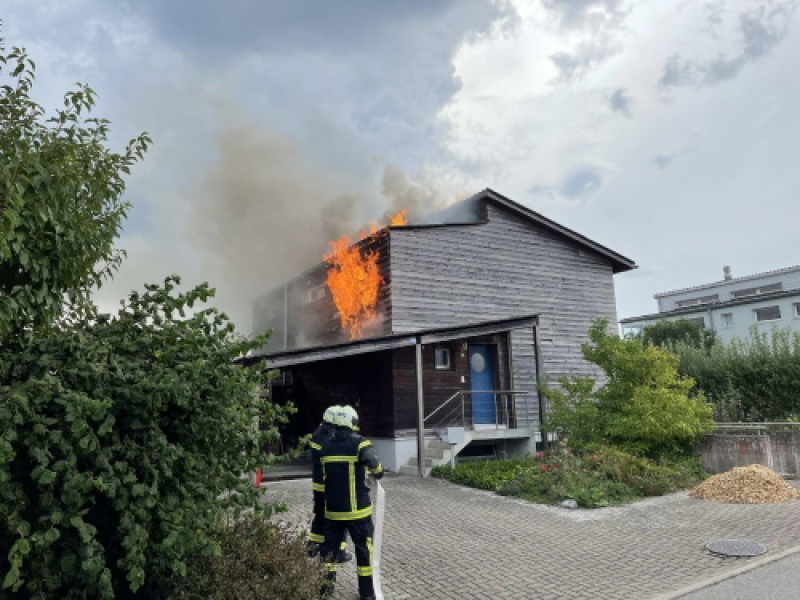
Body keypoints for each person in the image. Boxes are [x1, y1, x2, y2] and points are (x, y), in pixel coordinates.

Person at [318, 405, 384, 600]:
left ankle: (325, 589)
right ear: (352, 423)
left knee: (328, 552)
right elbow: (375, 465)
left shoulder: (325, 447)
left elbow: (324, 478)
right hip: (358, 512)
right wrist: (377, 473)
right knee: (364, 552)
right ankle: (367, 593)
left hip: (333, 511)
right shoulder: (361, 444)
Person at [308, 405, 351, 563]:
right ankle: (339, 551)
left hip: (318, 484)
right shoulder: (328, 437)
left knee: (320, 514)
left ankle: (313, 545)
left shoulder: (317, 434)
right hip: (330, 485)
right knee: (339, 519)